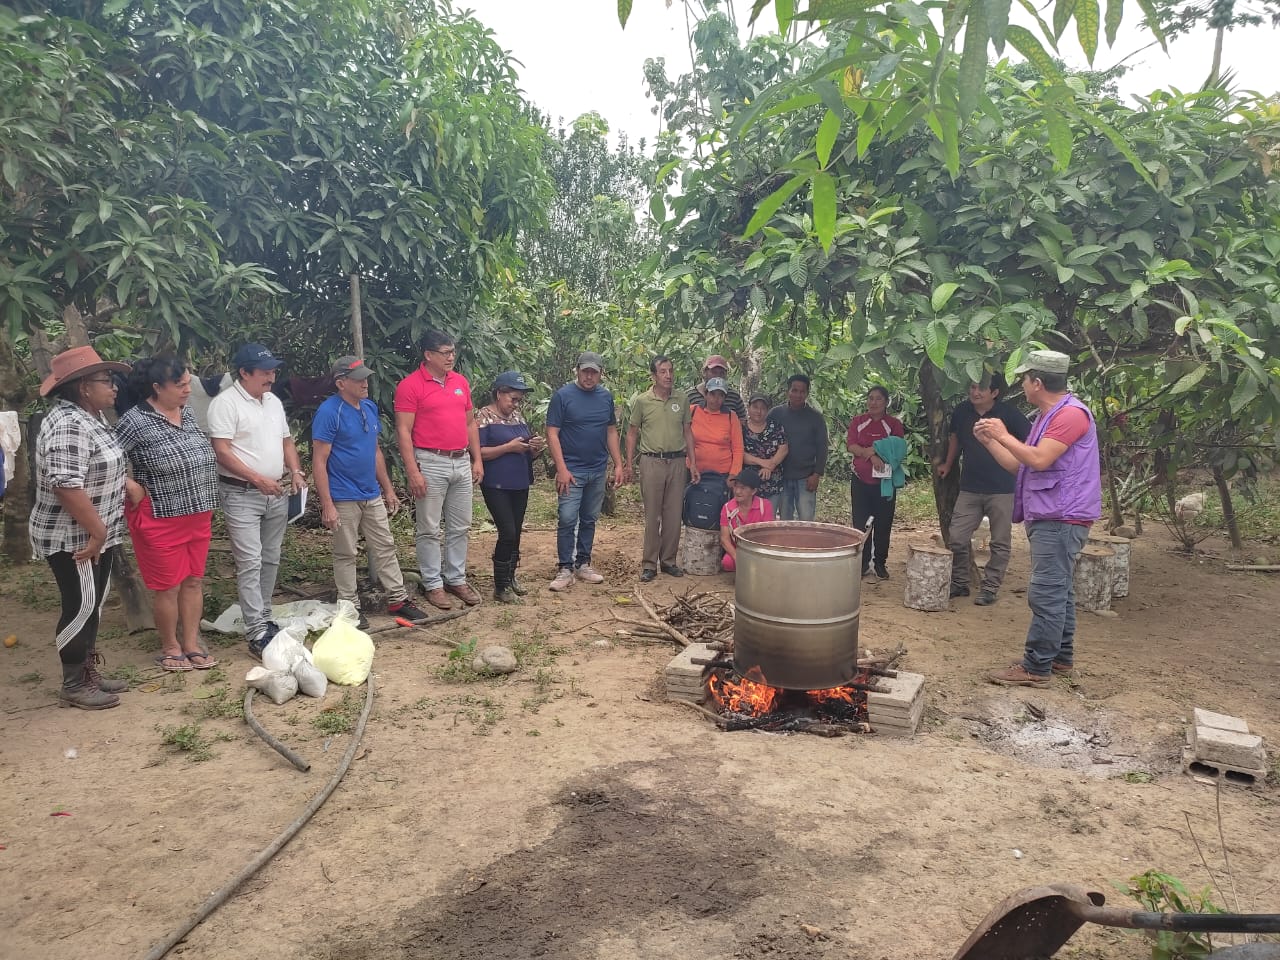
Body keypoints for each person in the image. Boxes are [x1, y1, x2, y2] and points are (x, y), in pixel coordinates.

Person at [974, 350, 1102, 687]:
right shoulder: (1051, 416)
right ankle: (1060, 657)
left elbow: (1040, 459)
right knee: (1060, 590)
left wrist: (1003, 434)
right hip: (1054, 515)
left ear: (1038, 383)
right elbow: (1022, 465)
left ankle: (1036, 667)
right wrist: (990, 442)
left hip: (1061, 518)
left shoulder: (1070, 415)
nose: (1022, 384)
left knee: (1046, 591)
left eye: (1025, 378)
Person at [30, 346, 140, 709]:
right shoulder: (68, 424)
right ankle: (74, 683)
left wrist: (125, 483)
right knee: (80, 605)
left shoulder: (91, 417)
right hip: (74, 536)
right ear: (83, 387)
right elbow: (65, 484)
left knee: (93, 603)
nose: (114, 387)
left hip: (95, 532)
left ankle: (87, 672)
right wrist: (97, 532)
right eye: (106, 380)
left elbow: (97, 463)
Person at [115, 355, 221, 672]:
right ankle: (170, 647)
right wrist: (129, 484)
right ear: (157, 387)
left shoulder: (186, 413)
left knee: (193, 582)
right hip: (159, 517)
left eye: (188, 383)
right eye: (180, 384)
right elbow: (103, 457)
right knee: (168, 587)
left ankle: (191, 643)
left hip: (198, 513)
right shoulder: (134, 421)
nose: (188, 389)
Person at [312, 357, 430, 629]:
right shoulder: (329, 412)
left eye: (366, 378)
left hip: (370, 492)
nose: (365, 383)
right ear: (341, 383)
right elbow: (319, 460)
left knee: (385, 545)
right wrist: (327, 504)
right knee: (346, 552)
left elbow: (375, 451)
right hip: (343, 495)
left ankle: (398, 599)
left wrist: (387, 489)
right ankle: (349, 606)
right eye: (358, 379)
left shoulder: (368, 407)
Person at [207, 343, 304, 658]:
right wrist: (257, 478)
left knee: (271, 557)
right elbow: (222, 451)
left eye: (273, 371)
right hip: (241, 493)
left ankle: (264, 617)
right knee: (250, 561)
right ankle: (256, 631)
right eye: (265, 372)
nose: (272, 377)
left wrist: (296, 471)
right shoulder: (225, 404)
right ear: (244, 373)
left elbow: (286, 441)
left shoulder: (272, 401)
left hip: (275, 491)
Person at [394, 329, 484, 610]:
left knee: (460, 525)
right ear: (428, 355)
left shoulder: (460, 382)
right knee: (429, 528)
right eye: (444, 353)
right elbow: (403, 430)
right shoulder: (410, 386)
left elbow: (470, 423)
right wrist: (413, 471)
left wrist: (477, 459)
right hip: (430, 460)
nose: (450, 357)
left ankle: (456, 578)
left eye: (452, 352)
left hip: (460, 459)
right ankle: (433, 583)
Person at [937, 374, 1032, 605]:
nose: (975, 392)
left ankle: (990, 587)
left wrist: (1021, 467)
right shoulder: (962, 411)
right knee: (957, 537)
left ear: (995, 393)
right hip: (970, 486)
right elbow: (955, 439)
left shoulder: (1008, 414)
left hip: (1002, 489)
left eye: (981, 388)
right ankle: (960, 583)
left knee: (1000, 542)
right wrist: (948, 464)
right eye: (972, 387)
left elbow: (1030, 440)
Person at [545, 352, 625, 591]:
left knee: (589, 518)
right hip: (572, 470)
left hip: (597, 469)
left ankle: (583, 563)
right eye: (585, 371)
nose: (589, 376)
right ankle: (565, 567)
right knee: (567, 518)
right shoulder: (563, 396)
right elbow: (552, 433)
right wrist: (561, 468)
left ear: (601, 374)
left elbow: (610, 431)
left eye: (594, 372)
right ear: (577, 371)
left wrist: (618, 463)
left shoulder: (605, 397)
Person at [625, 355, 695, 582]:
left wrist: (693, 462)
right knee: (653, 515)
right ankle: (649, 564)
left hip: (677, 462)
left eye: (671, 371)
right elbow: (632, 433)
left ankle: (668, 561)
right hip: (651, 461)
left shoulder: (681, 399)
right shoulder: (643, 401)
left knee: (673, 514)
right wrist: (628, 464)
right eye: (663, 371)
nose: (668, 375)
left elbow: (687, 432)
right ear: (653, 375)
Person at [477, 371, 545, 603]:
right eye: (512, 399)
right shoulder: (484, 416)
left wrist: (533, 448)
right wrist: (508, 448)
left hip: (520, 481)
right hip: (496, 484)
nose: (516, 404)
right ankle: (500, 585)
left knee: (515, 531)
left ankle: (510, 576)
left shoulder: (518, 417)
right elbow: (478, 452)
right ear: (499, 394)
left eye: (519, 400)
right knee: (506, 531)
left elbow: (525, 451)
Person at [847, 385, 906, 579]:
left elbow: (897, 447)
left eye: (878, 398)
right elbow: (852, 445)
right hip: (860, 480)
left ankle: (880, 563)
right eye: (870, 398)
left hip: (884, 483)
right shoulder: (858, 421)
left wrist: (873, 449)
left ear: (886, 402)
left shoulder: (894, 424)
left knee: (883, 523)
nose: (873, 402)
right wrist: (872, 455)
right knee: (860, 523)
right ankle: (863, 564)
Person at [769, 374, 828, 521]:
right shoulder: (775, 414)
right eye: (794, 390)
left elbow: (822, 447)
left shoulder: (815, 418)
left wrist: (817, 474)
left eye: (802, 391)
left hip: (806, 477)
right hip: (781, 477)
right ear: (787, 391)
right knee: (785, 520)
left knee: (806, 519)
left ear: (807, 394)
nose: (798, 395)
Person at [689, 376, 742, 490]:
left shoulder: (731, 417)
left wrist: (733, 474)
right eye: (712, 394)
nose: (716, 399)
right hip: (693, 471)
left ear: (725, 398)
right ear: (706, 394)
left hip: (721, 474)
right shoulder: (692, 411)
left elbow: (738, 449)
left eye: (720, 395)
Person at [719, 465, 775, 572]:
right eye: (736, 486)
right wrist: (737, 557)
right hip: (738, 549)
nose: (737, 491)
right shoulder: (727, 508)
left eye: (743, 488)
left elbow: (769, 536)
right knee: (727, 563)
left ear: (753, 491)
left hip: (759, 550)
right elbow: (724, 539)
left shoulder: (765, 506)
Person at [741, 393, 788, 516]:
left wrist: (770, 466)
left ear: (768, 410)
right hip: (747, 484)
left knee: (768, 520)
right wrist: (763, 463)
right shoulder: (741, 427)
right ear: (749, 408)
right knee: (748, 519)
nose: (759, 411)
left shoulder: (776, 426)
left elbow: (783, 449)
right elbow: (739, 453)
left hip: (772, 482)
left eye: (763, 408)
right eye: (755, 407)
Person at [687, 354, 745, 421]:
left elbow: (742, 421)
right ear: (704, 372)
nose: (718, 376)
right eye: (714, 372)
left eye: (721, 373)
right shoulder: (690, 396)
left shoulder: (734, 396)